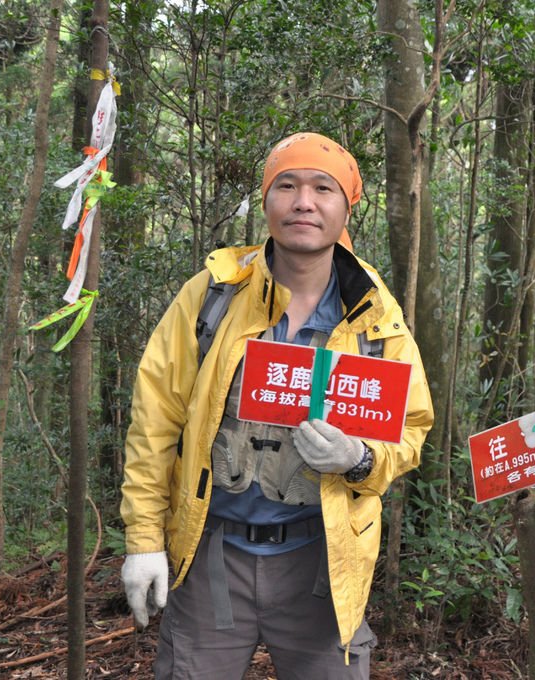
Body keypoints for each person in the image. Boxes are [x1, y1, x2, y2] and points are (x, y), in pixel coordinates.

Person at [120, 131, 434, 679]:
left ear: (346, 207)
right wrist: (144, 541)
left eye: (322, 188)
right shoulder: (212, 297)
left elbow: (409, 430)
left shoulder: (374, 317)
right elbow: (155, 422)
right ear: (267, 201)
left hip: (323, 561)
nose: (303, 202)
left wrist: (358, 459)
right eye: (286, 185)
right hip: (212, 554)